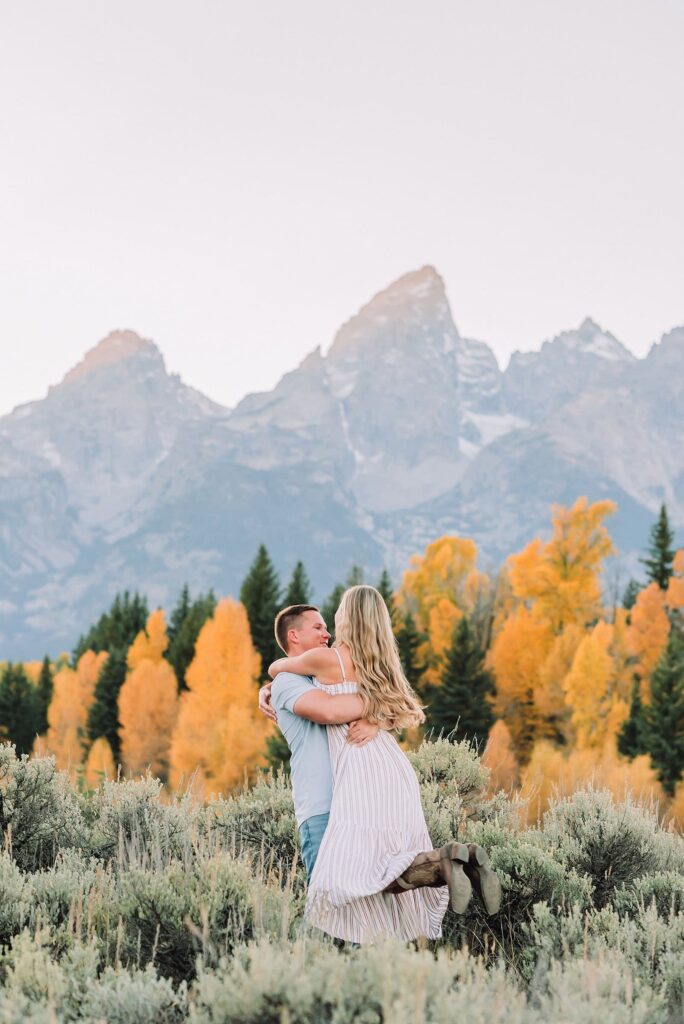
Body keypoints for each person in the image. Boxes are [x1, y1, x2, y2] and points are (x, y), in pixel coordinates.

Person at [266, 585, 501, 944]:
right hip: (376, 777)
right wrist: (381, 709)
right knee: (377, 873)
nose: (327, 633)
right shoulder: (297, 681)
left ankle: (332, 969)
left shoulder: (316, 669)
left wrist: (379, 711)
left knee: (332, 895)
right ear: (294, 635)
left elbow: (329, 710)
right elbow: (385, 704)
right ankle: (444, 866)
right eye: (318, 628)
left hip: (343, 793)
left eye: (330, 625)